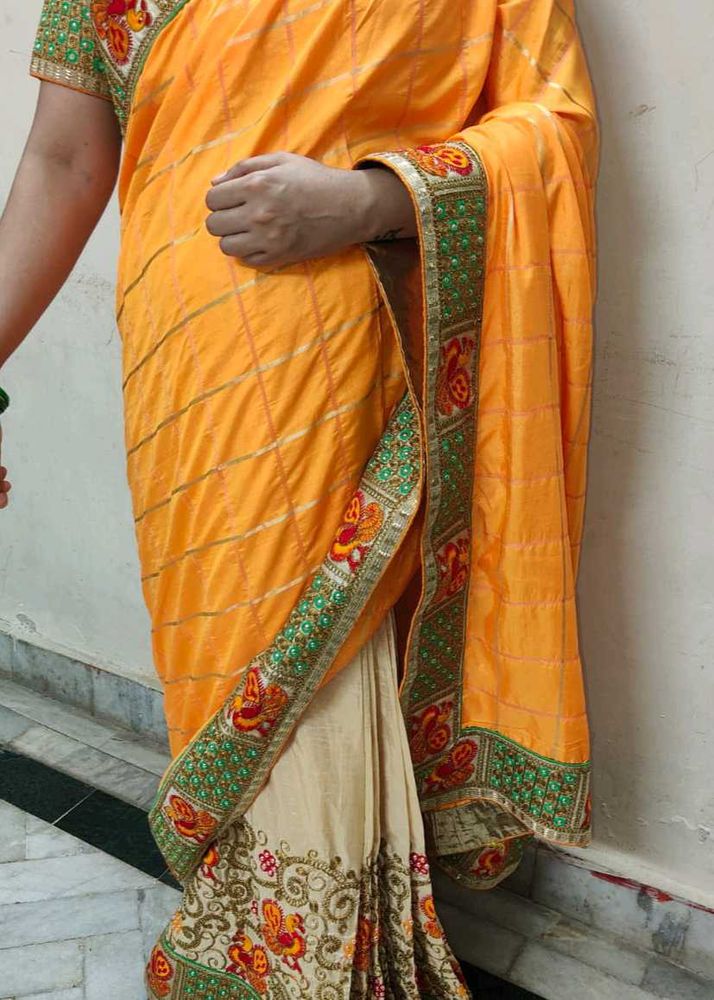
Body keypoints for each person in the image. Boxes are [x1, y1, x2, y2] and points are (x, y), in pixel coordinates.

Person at [0, 0, 598, 995]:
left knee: (323, 661)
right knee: (229, 668)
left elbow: (554, 123)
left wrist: (368, 200)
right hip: (186, 369)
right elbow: (64, 161)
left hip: (356, 348)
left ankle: (314, 959)